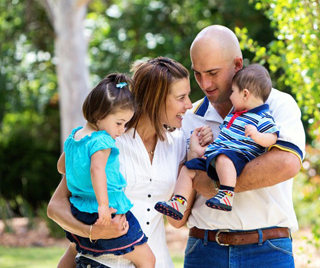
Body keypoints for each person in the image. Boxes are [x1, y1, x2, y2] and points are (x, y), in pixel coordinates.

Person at [48, 57, 213, 268]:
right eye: (181, 97)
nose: (189, 105)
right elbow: (56, 206)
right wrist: (92, 232)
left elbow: (177, 220)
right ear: (156, 99)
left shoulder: (179, 144)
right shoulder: (107, 138)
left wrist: (192, 161)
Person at [171, 25, 306, 268]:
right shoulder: (188, 117)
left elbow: (286, 164)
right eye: (198, 74)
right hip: (203, 250)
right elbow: (177, 220)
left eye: (212, 72)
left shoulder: (278, 104)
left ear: (237, 64)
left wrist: (213, 185)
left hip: (267, 250)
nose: (205, 83)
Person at [155, 64, 279, 216]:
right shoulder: (234, 114)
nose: (230, 95)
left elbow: (272, 138)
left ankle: (226, 195)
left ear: (245, 94)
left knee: (223, 158)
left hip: (239, 156)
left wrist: (257, 136)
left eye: (233, 92)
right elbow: (223, 140)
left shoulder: (262, 116)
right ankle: (179, 201)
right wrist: (202, 151)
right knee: (189, 168)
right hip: (218, 153)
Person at [58, 73, 154, 268]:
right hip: (108, 211)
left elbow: (62, 167)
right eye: (119, 123)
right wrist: (103, 205)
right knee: (148, 260)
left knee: (81, 251)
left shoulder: (74, 137)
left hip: (80, 210)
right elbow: (97, 169)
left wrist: (78, 168)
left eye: (126, 124)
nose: (122, 129)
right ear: (99, 115)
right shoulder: (102, 141)